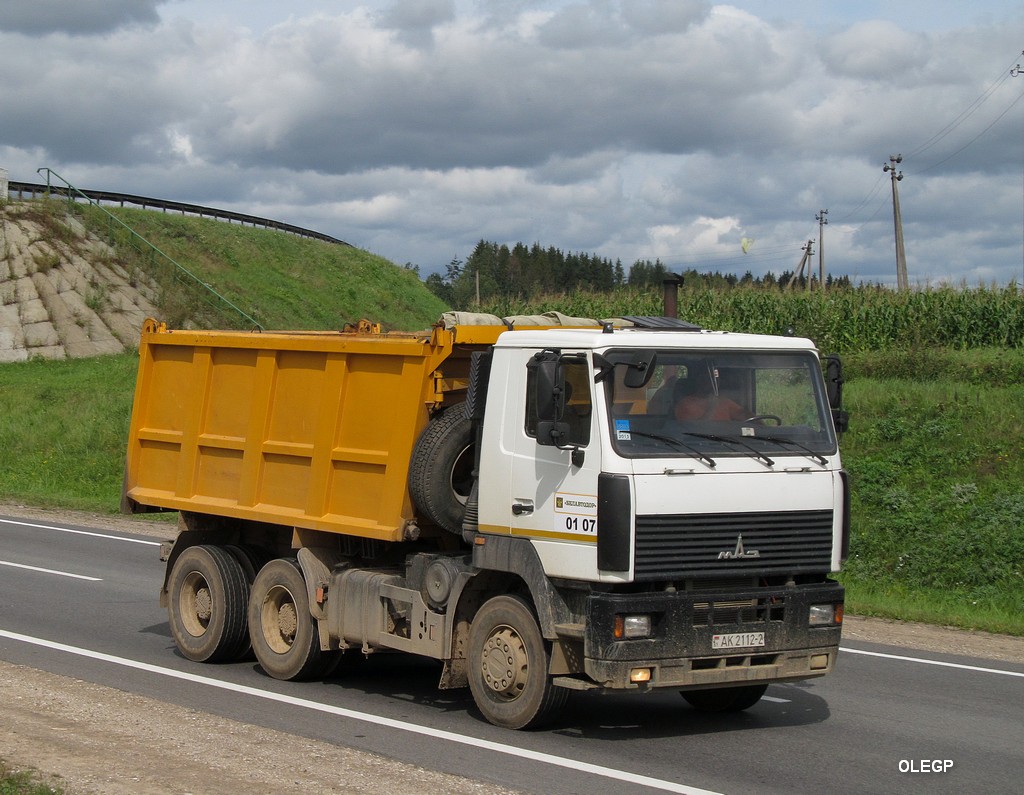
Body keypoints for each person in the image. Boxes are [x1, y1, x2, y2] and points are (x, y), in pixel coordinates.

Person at [673, 365, 747, 421]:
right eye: (709, 378)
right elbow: (693, 431)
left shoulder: (724, 401)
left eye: (716, 379)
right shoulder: (685, 405)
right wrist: (711, 408)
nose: (715, 382)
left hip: (729, 440)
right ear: (699, 379)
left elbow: (743, 416)